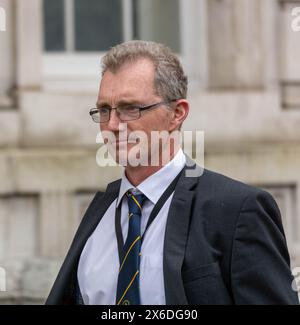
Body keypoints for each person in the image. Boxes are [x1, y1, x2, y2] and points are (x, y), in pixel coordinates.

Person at [46, 40, 299, 305]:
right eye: (105, 110)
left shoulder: (238, 210)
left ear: (177, 113)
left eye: (130, 108)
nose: (112, 125)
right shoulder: (100, 211)